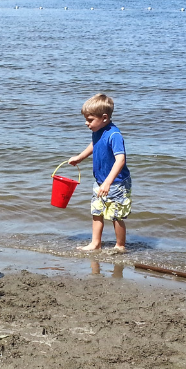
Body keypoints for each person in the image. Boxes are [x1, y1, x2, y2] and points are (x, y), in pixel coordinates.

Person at [67, 93, 131, 253]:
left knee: (116, 215)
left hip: (117, 182)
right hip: (100, 180)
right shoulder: (98, 130)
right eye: (86, 119)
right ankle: (96, 243)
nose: (86, 123)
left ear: (104, 117)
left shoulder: (114, 135)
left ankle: (120, 246)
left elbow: (120, 160)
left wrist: (109, 182)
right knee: (97, 211)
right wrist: (80, 157)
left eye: (90, 120)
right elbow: (94, 144)